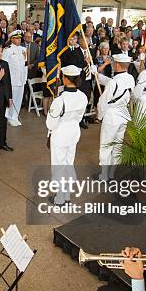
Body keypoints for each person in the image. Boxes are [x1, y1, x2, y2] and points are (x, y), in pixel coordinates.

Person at [46, 65, 88, 202]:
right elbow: (80, 117)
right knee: (68, 164)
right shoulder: (83, 96)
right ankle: (67, 195)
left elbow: (50, 124)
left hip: (60, 134)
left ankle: (59, 199)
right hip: (74, 132)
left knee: (59, 166)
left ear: (65, 79)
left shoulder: (60, 100)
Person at [93, 54, 135, 181]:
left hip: (111, 117)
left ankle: (104, 176)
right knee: (117, 145)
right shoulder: (130, 78)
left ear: (116, 65)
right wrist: (97, 75)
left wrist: (99, 116)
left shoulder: (114, 82)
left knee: (106, 146)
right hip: (123, 115)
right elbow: (111, 82)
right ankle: (112, 174)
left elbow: (102, 102)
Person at [2, 30, 28, 127]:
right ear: (12, 39)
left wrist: (24, 78)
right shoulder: (7, 50)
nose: (19, 40)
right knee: (11, 99)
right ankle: (8, 116)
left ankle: (15, 116)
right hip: (12, 79)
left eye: (20, 38)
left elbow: (25, 65)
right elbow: (4, 66)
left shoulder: (23, 49)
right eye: (16, 38)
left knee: (18, 99)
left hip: (21, 79)